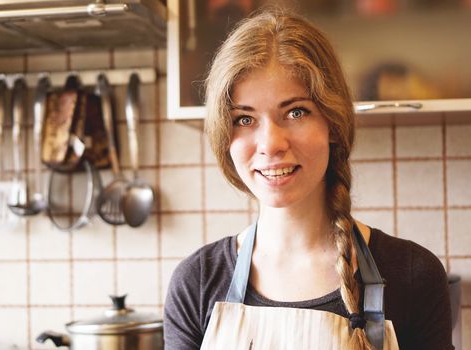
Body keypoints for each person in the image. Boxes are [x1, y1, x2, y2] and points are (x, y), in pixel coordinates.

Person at [164, 8, 453, 350]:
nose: (271, 144)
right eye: (244, 119)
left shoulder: (413, 275)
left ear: (332, 121)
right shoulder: (196, 282)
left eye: (296, 112)